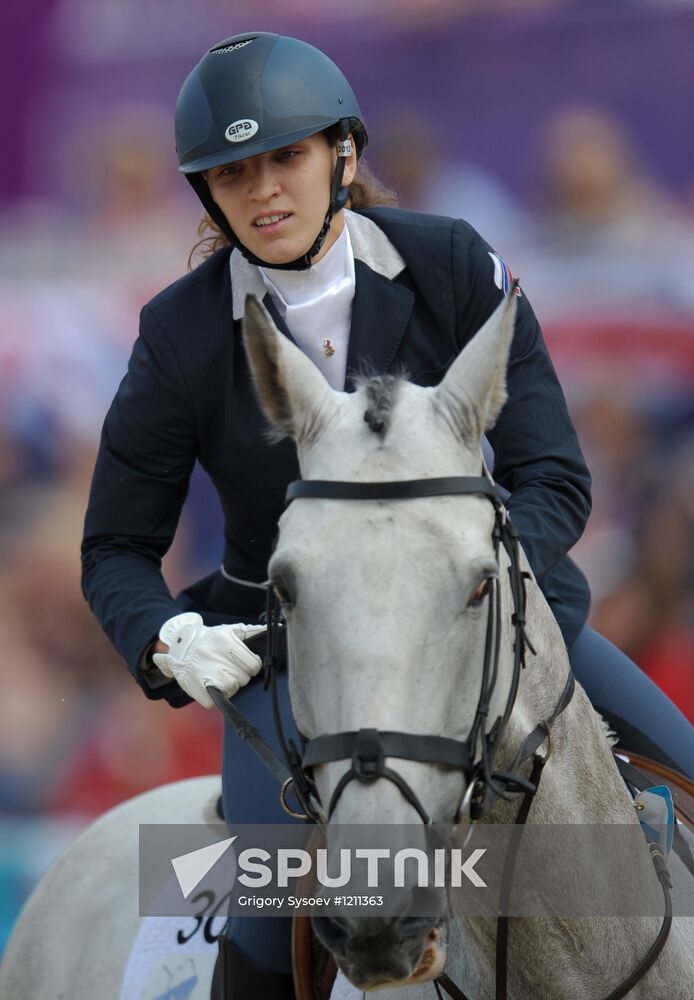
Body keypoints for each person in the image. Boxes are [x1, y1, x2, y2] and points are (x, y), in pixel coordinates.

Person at [81, 31, 694, 1000]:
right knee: (257, 915)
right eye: (233, 173)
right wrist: (169, 638)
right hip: (291, 655)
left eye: (286, 157)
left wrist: (472, 584)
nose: (265, 190)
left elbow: (551, 476)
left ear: (344, 155)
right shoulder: (178, 333)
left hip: (489, 617)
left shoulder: (450, 261)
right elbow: (115, 546)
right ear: (207, 193)